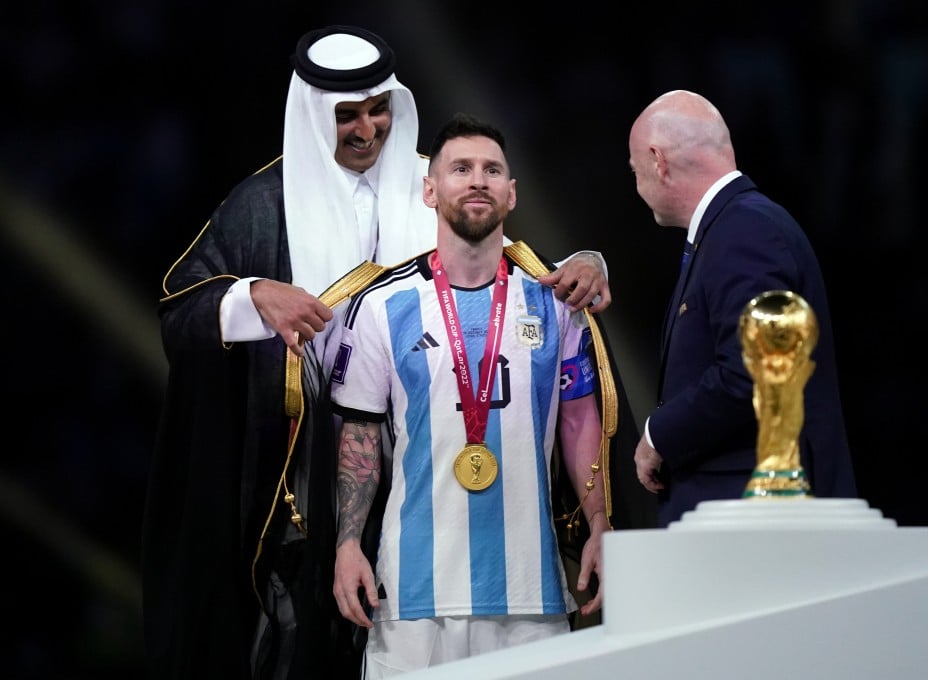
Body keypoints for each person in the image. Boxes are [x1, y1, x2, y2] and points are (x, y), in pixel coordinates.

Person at [141, 26, 613, 680]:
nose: (367, 129)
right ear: (313, 113)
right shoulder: (262, 209)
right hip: (313, 492)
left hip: (444, 489)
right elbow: (180, 310)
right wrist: (252, 296)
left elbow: (504, 280)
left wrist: (584, 262)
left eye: (377, 109)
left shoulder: (438, 181)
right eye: (346, 116)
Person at [330, 113, 611, 677]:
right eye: (460, 169)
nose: (477, 180)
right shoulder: (381, 307)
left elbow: (580, 421)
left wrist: (600, 521)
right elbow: (359, 435)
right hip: (410, 598)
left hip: (532, 593)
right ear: (431, 191)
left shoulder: (558, 303)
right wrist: (347, 544)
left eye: (491, 170)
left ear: (511, 194)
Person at [627, 89, 857, 527]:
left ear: (658, 160)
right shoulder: (735, 228)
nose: (637, 183)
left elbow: (753, 371)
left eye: (634, 169)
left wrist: (659, 434)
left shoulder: (744, 230)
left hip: (757, 518)